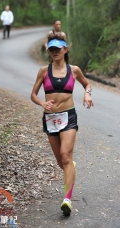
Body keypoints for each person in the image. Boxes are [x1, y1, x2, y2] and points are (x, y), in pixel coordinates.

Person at [31, 38, 94, 216]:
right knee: (62, 162)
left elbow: (87, 84)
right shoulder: (44, 71)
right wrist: (42, 103)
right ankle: (70, 167)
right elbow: (33, 95)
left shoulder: (74, 70)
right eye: (51, 50)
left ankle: (67, 199)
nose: (55, 52)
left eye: (58, 49)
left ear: (65, 50)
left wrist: (87, 94)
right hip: (50, 118)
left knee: (66, 156)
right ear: (49, 52)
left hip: (68, 116)